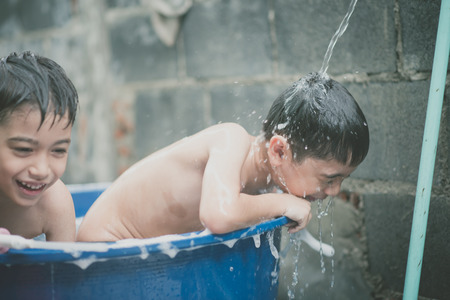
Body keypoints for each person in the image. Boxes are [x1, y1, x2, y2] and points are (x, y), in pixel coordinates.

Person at [77, 72, 369, 242]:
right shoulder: (230, 138)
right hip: (102, 246)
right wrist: (284, 202)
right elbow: (218, 215)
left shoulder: (263, 182)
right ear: (280, 151)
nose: (335, 191)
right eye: (329, 178)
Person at [0, 51, 79, 253]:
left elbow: (62, 279)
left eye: (58, 150)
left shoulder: (55, 205)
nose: (42, 170)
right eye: (24, 149)